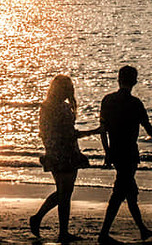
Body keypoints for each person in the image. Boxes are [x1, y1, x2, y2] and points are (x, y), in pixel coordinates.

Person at [98, 66, 152, 244]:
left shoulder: (107, 100)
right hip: (129, 154)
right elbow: (149, 129)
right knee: (119, 193)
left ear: (118, 79)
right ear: (134, 81)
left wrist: (107, 152)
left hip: (116, 152)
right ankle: (104, 234)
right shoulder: (135, 104)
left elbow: (103, 130)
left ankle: (142, 230)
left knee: (130, 192)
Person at [30, 74, 101, 242]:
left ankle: (46, 221)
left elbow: (44, 133)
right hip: (66, 153)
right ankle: (55, 227)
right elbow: (70, 134)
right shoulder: (61, 108)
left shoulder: (46, 106)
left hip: (55, 152)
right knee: (65, 192)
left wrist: (49, 149)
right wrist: (95, 131)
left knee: (63, 192)